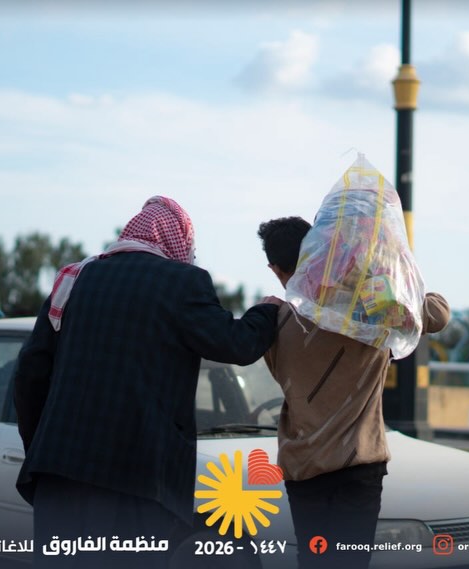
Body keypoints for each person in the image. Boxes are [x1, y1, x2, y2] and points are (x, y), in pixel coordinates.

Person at [14, 196, 281, 568]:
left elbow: (30, 373)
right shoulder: (182, 282)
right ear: (178, 241)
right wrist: (266, 311)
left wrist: (43, 446)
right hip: (137, 483)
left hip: (59, 477)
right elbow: (236, 344)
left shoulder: (76, 278)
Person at [257, 216, 450, 569]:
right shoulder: (368, 307)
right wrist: (383, 276)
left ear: (275, 268)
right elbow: (438, 312)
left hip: (304, 465)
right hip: (358, 463)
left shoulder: (275, 321)